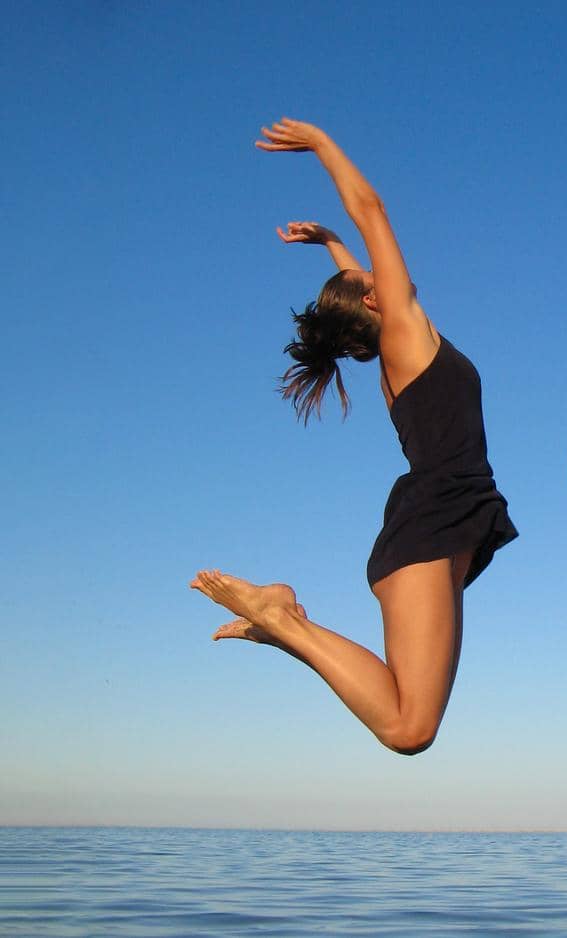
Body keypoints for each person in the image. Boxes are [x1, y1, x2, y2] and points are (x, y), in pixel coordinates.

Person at [191, 117, 518, 755]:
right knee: (408, 728)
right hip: (433, 521)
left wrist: (334, 246)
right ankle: (280, 617)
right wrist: (320, 145)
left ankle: (281, 624)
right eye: (370, 276)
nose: (379, 272)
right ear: (374, 304)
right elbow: (372, 206)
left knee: (409, 721)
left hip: (442, 521)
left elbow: (355, 281)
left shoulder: (405, 344)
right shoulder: (401, 332)